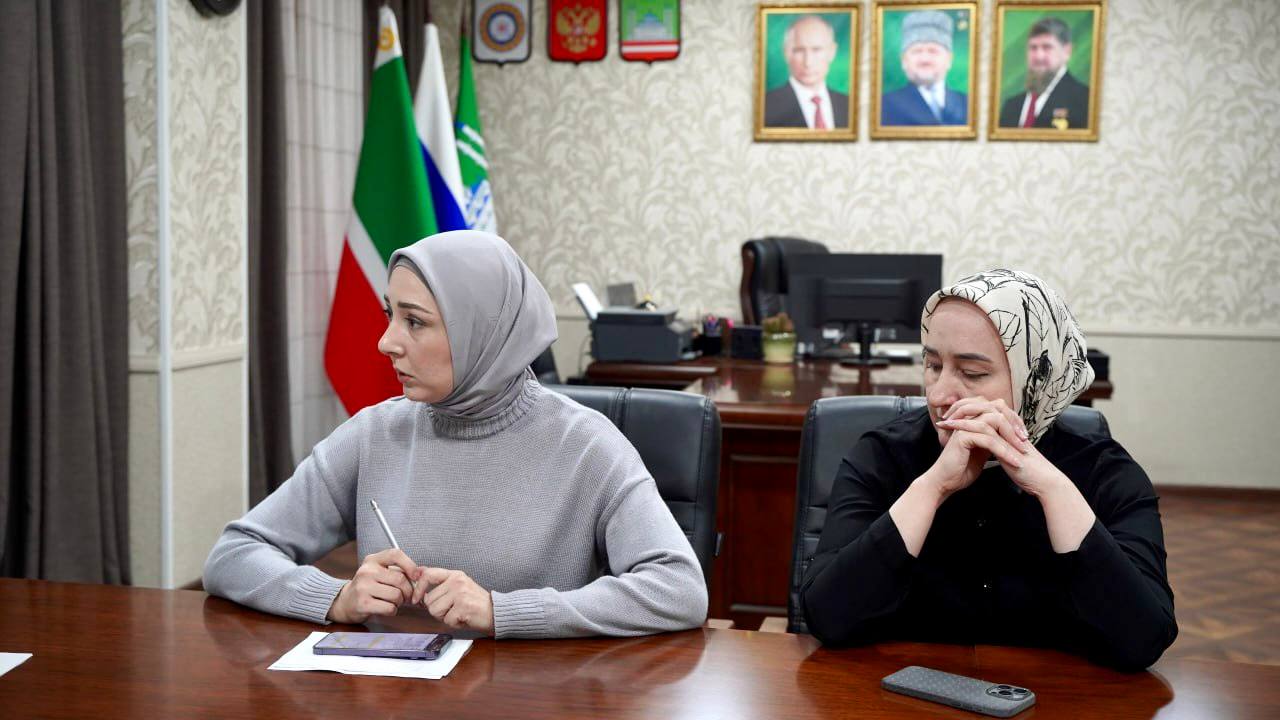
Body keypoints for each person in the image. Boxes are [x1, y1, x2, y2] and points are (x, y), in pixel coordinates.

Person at [204, 230, 708, 638]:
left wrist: (502, 611)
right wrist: (334, 598)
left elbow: (678, 589)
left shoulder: (586, 445)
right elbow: (234, 554)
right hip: (390, 699)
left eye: (415, 322)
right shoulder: (374, 432)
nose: (386, 342)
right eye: (390, 315)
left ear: (481, 332)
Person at [799, 269, 1177, 671]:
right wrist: (932, 487)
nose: (938, 394)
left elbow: (1143, 639)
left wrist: (1052, 489)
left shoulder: (1105, 472)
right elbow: (827, 617)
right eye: (933, 365)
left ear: (1036, 380)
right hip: (901, 691)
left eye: (972, 373)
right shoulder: (883, 456)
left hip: (1056, 696)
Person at [998, 17, 1090, 129]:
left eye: (1047, 47)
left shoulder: (1085, 100)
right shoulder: (1011, 106)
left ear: (1067, 51)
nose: (1039, 56)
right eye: (1033, 48)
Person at [880, 10, 968, 126]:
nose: (925, 59)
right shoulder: (884, 105)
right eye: (917, 51)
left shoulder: (968, 103)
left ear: (949, 59)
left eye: (933, 51)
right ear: (904, 60)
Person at [763, 15, 849, 129]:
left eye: (816, 50)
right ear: (786, 53)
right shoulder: (765, 106)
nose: (808, 62)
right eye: (799, 50)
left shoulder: (848, 105)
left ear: (832, 52)